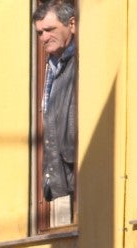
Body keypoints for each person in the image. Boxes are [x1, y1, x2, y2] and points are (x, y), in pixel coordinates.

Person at [33, 1, 77, 206]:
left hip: (79, 170)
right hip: (64, 178)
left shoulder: (80, 61)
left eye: (50, 30)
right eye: (40, 33)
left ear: (72, 24)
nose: (44, 38)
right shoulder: (52, 65)